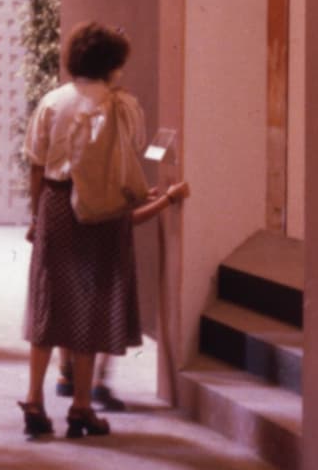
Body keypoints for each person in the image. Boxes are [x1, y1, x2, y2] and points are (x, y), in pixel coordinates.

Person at [19, 22, 190, 439]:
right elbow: (135, 149)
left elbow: (37, 165)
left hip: (56, 205)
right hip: (101, 210)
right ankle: (81, 406)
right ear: (112, 64)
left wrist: (36, 215)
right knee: (90, 303)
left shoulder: (51, 102)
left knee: (49, 300)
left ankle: (35, 400)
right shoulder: (122, 106)